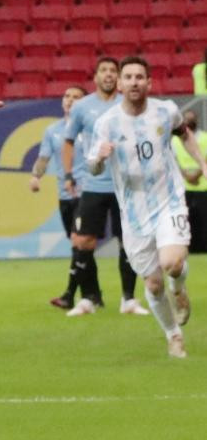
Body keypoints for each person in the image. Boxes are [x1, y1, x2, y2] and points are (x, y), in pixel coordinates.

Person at [86, 56, 207, 357]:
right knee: (153, 285)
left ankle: (178, 288)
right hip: (134, 212)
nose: (134, 82)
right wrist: (99, 158)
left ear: (149, 82)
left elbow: (184, 133)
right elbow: (93, 168)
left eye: (140, 77)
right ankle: (173, 334)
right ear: (120, 83)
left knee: (172, 263)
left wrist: (202, 163)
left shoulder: (165, 111)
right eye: (128, 77)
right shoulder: (107, 123)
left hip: (169, 199)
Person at [62, 57, 148, 317]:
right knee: (84, 241)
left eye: (113, 71)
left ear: (120, 79)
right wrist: (68, 174)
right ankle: (89, 298)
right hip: (94, 185)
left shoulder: (131, 106)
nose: (109, 75)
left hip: (127, 186)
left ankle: (129, 299)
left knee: (130, 242)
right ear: (96, 76)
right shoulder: (82, 107)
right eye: (104, 70)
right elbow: (67, 142)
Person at [29, 85, 88, 308]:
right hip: (64, 195)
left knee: (79, 241)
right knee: (80, 246)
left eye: (76, 97)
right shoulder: (52, 130)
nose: (70, 100)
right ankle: (92, 294)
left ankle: (70, 295)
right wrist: (36, 176)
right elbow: (44, 158)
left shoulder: (89, 128)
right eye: (67, 96)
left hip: (87, 192)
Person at [173, 109, 207, 253]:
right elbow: (173, 159)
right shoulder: (175, 140)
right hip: (183, 187)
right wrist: (186, 176)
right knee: (186, 223)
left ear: (196, 120)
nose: (188, 122)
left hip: (202, 186)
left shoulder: (205, 137)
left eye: (191, 119)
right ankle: (188, 250)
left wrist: (198, 173)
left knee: (204, 222)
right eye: (186, 119)